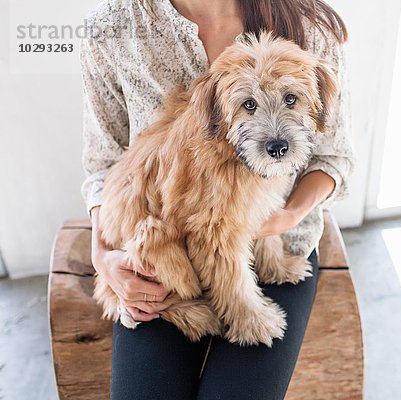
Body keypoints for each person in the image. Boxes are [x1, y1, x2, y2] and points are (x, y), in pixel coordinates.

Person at [79, 0, 355, 398]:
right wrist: (103, 257)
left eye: (291, 101)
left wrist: (286, 216)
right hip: (159, 254)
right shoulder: (111, 30)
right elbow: (103, 163)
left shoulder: (306, 22)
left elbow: (334, 156)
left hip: (276, 241)